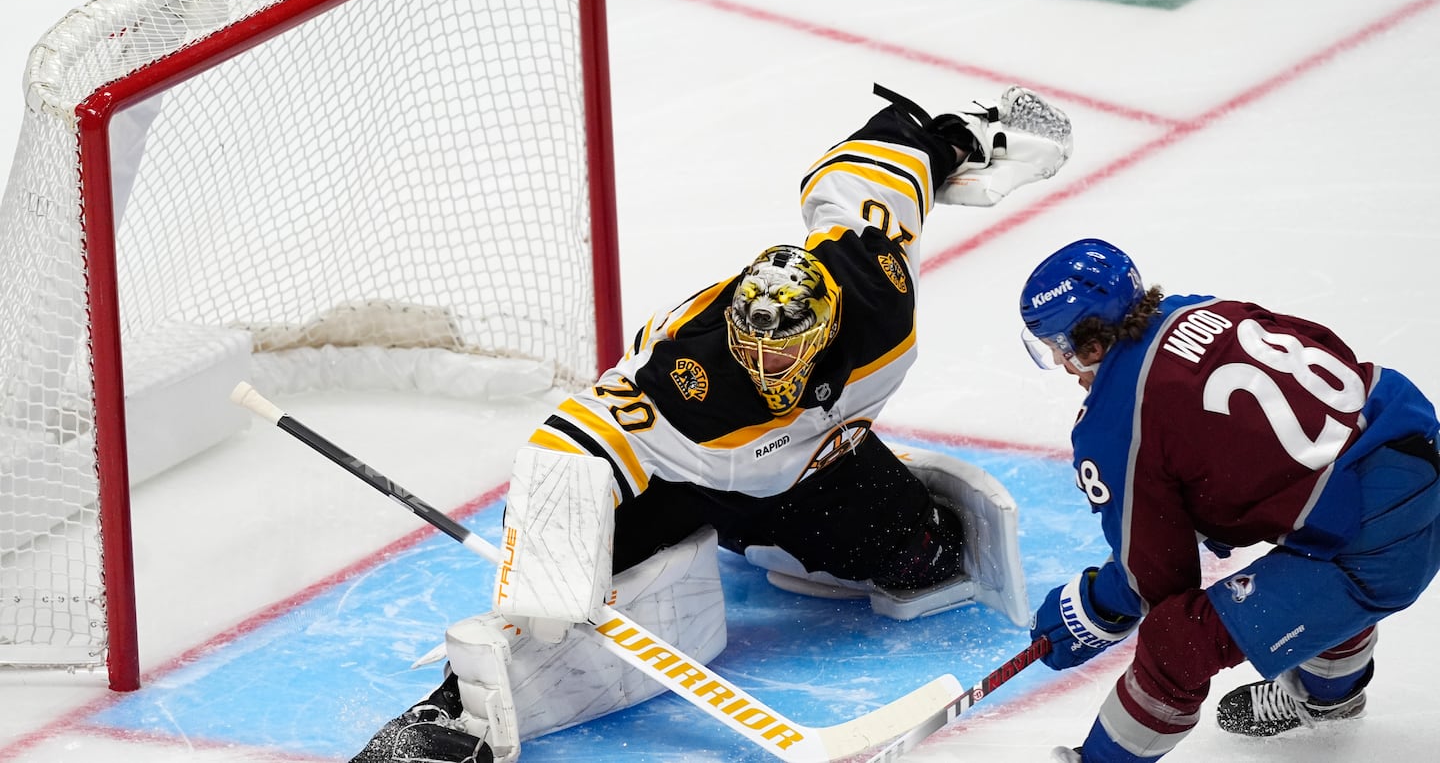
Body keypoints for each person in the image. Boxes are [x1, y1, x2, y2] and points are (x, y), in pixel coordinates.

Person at [349, 83, 1075, 763]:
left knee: (925, 557)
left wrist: (954, 139)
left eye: (784, 349)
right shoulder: (688, 382)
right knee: (568, 601)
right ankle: (448, 720)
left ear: (825, 329)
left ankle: (770, 547)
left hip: (818, 473)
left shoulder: (873, 288)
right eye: (749, 345)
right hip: (681, 481)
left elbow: (864, 177)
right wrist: (548, 563)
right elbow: (571, 441)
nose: (765, 366)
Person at [1019, 239, 1440, 762]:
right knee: (1310, 559)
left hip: (1375, 537)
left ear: (1090, 346)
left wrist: (1092, 609)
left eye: (1056, 348)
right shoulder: (1202, 310)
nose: (1062, 366)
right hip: (1413, 437)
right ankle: (1330, 698)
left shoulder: (1113, 423)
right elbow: (1323, 348)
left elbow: (1156, 584)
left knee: (1177, 643)